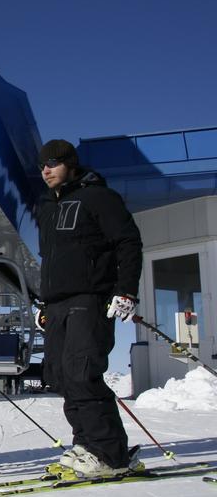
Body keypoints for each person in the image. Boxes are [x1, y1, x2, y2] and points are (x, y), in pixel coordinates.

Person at [37, 139, 145, 478]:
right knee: (60, 375)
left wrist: (126, 290)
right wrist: (44, 302)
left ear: (70, 163)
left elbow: (128, 242)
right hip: (57, 304)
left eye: (53, 163)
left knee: (83, 372)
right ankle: (86, 445)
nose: (46, 170)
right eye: (42, 165)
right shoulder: (47, 206)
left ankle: (110, 455)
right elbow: (53, 260)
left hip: (90, 298)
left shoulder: (98, 197)